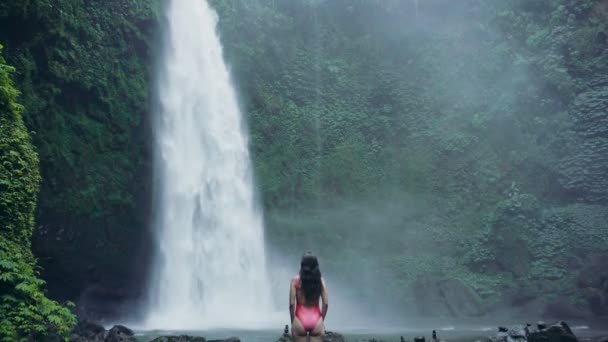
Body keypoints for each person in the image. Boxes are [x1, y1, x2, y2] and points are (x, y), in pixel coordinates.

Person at [289, 252, 329, 342]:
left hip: (299, 320)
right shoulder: (320, 281)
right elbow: (325, 303)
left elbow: (291, 304)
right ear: (316, 266)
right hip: (316, 320)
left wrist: (293, 322)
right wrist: (321, 320)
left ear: (302, 265)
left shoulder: (295, 281)